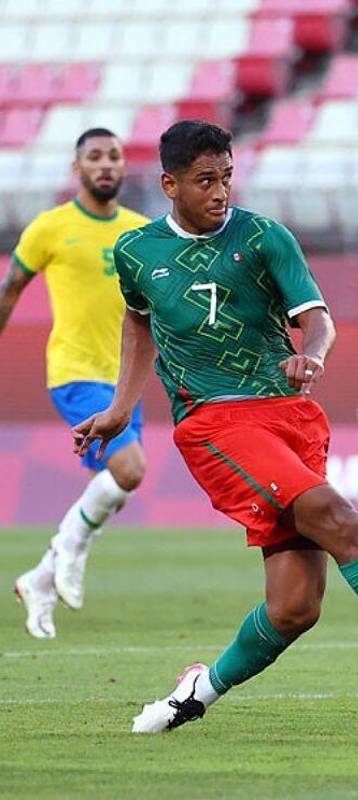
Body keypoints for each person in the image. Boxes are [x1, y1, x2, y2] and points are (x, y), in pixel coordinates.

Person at [71, 121, 358, 734]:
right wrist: (122, 407)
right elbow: (139, 323)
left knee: (296, 608)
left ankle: (195, 693)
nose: (220, 191)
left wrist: (316, 354)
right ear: (170, 184)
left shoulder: (265, 237)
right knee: (339, 518)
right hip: (215, 422)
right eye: (205, 181)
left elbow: (317, 319)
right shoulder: (138, 254)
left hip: (289, 416)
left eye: (226, 176)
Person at [0, 129, 150, 639]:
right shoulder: (51, 227)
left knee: (110, 489)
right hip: (75, 371)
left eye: (114, 156)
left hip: (125, 378)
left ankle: (39, 579)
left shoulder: (141, 231)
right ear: (77, 169)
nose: (106, 164)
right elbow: (11, 287)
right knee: (129, 470)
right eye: (94, 157)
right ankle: (69, 549)